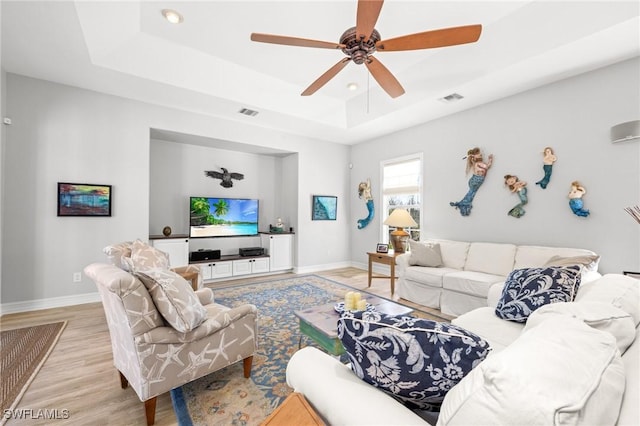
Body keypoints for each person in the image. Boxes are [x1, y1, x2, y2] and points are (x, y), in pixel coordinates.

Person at [450, 147, 494, 216]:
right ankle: (464, 205)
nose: (480, 154)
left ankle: (463, 204)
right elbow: (486, 167)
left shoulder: (477, 163)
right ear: (474, 156)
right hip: (476, 180)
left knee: (471, 194)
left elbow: (487, 166)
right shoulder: (478, 163)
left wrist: (490, 160)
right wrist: (490, 160)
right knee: (471, 194)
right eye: (478, 153)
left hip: (476, 180)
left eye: (479, 153)